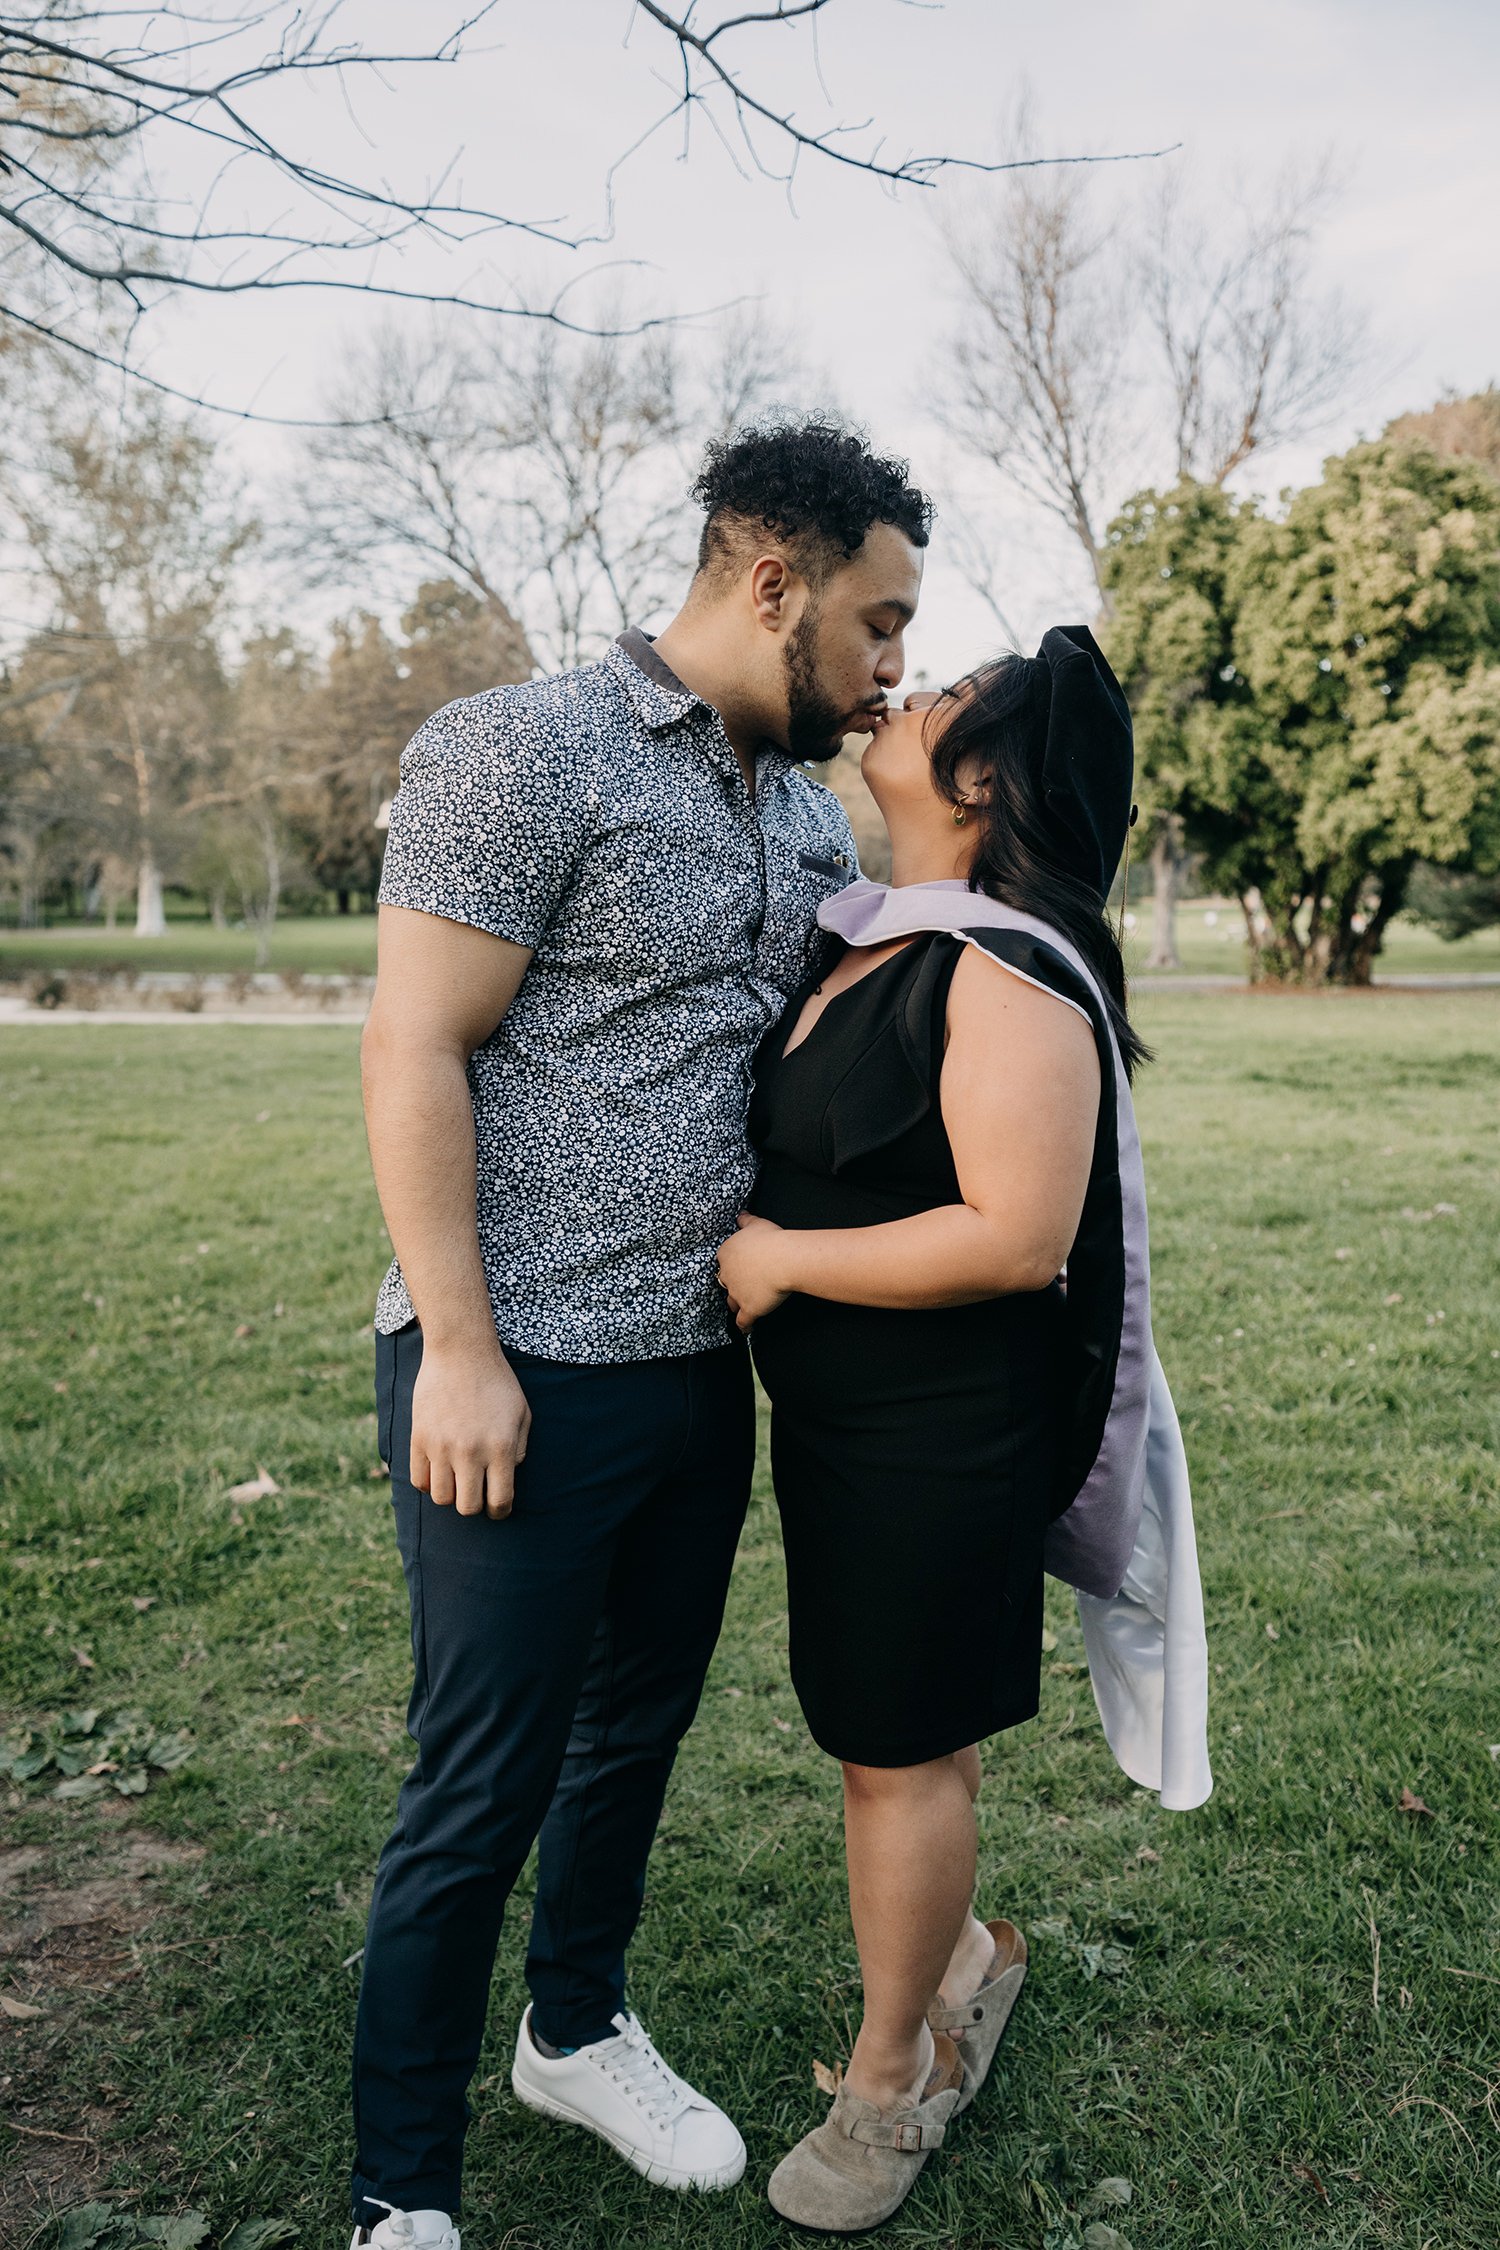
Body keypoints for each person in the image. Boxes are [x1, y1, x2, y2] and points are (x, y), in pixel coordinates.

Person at [349, 418, 932, 2248]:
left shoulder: (799, 803)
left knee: (635, 1735)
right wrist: (458, 1341)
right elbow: (413, 1045)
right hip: (511, 1370)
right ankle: (398, 2189)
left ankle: (577, 2024)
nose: (893, 664)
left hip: (700, 1376)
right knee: (482, 1776)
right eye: (879, 621)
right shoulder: (524, 748)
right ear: (775, 583)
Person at [717, 629, 1210, 2234]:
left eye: (945, 700)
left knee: (897, 1746)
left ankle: (894, 2072)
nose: (905, 693)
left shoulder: (1004, 968)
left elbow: (1015, 1236)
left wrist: (785, 1257)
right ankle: (972, 1955)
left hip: (944, 1436)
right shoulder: (870, 938)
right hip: (852, 1429)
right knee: (874, 1727)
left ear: (984, 779)